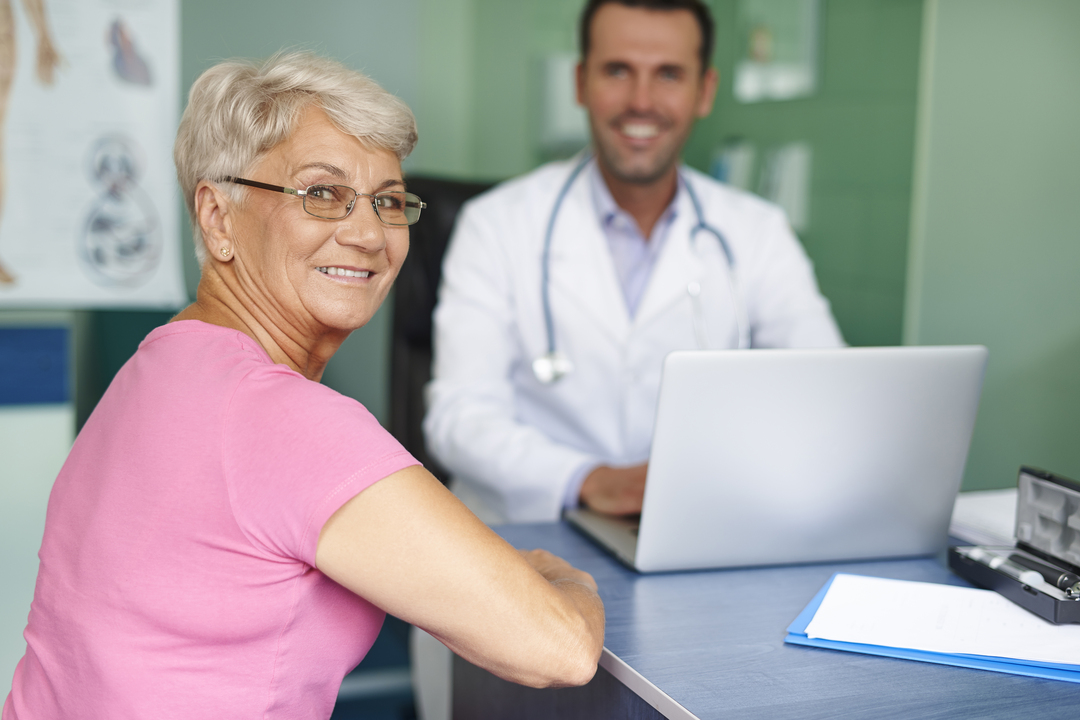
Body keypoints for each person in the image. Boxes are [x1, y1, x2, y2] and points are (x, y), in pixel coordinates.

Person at [2, 52, 604, 720]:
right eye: (322, 194)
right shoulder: (278, 417)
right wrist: (564, 576)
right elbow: (561, 645)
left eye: (388, 201)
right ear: (218, 218)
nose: (370, 234)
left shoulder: (156, 369)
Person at [424, 0, 844, 525]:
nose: (641, 102)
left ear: (705, 92)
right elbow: (459, 418)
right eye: (618, 71)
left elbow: (826, 398)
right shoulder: (495, 224)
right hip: (527, 538)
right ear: (580, 83)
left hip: (698, 526)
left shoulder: (756, 232)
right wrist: (590, 479)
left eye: (668, 74)